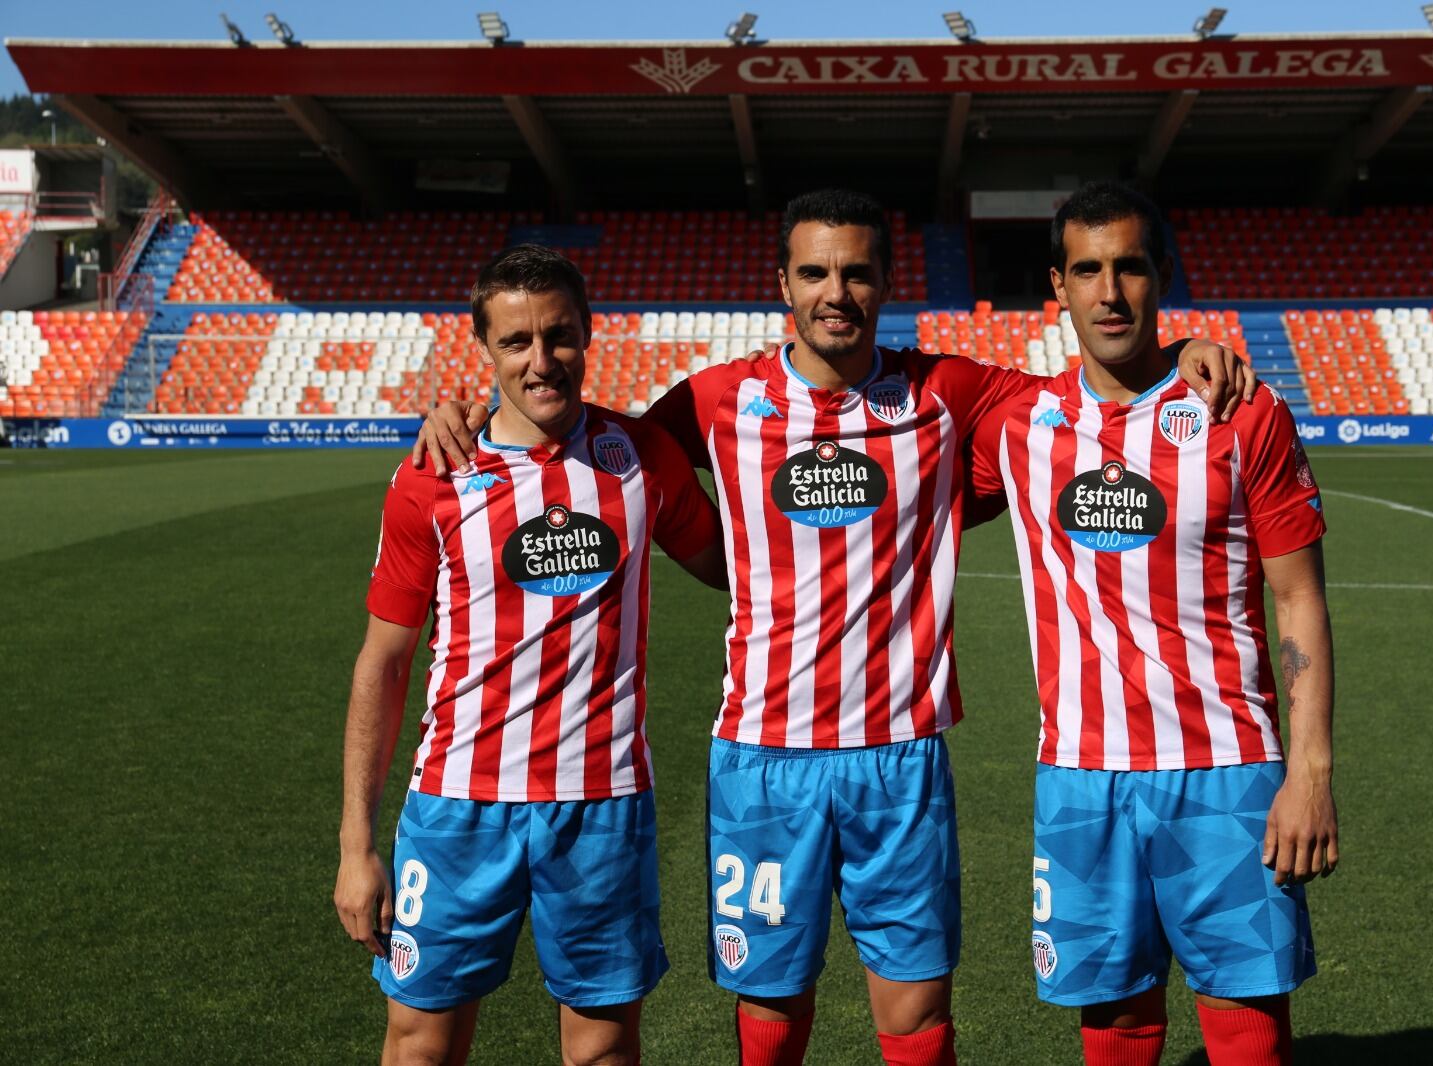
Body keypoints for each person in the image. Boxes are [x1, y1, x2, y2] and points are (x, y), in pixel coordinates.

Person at [415, 189, 1256, 1066]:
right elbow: (582, 442)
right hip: (764, 757)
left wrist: (1182, 351)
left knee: (917, 1013)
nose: (836, 292)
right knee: (771, 1008)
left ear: (888, 282)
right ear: (783, 282)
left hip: (901, 754)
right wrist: (466, 415)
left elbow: (1093, 391)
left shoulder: (946, 392)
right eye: (814, 271)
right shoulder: (715, 402)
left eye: (856, 272)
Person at [967, 181, 1338, 1066]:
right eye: (1087, 270)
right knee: (1115, 1020)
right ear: (1057, 285)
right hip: (1081, 776)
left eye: (1129, 266)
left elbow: (1300, 599)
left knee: (1247, 1020)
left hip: (1229, 772)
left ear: (1160, 275)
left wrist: (1311, 771)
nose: (1110, 291)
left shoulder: (1243, 414)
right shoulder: (1020, 425)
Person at [333, 244, 725, 1066]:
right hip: (456, 806)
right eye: (516, 342)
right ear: (485, 350)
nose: (541, 361)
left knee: (602, 1052)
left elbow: (738, 565)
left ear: (588, 335)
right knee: (420, 1045)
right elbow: (384, 663)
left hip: (601, 805)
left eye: (559, 336)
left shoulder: (639, 458)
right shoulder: (432, 476)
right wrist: (356, 846)